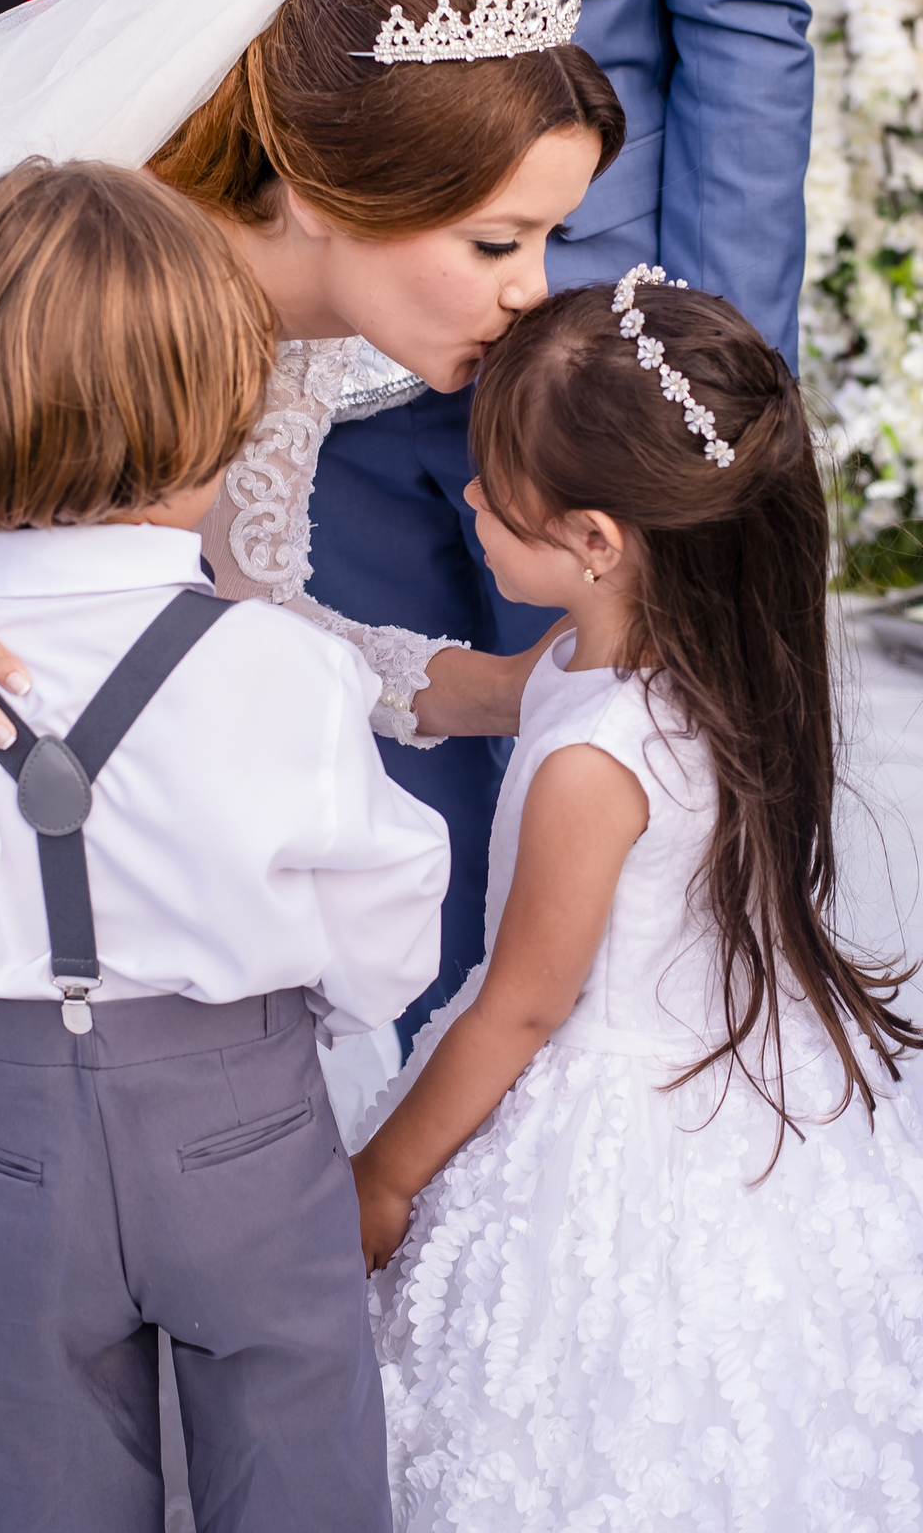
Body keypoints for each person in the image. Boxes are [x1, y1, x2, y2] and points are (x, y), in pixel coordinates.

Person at [0, 0, 617, 1517]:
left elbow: (237, 641)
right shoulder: (19, 259)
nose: (528, 296)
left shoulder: (284, 349)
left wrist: (494, 687)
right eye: (496, 243)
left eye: (551, 242)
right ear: (343, 193)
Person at [102, 0, 813, 1045]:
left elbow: (743, 4)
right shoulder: (120, 336)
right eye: (506, 252)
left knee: (640, 795)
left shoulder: (540, 284)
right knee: (379, 821)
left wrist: (696, 393)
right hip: (299, 278)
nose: (521, 281)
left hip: (601, 342)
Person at [0, 156, 449, 1533]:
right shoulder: (282, 666)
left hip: (10, 1150)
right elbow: (391, 900)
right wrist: (329, 1045)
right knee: (306, 1483)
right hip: (251, 1125)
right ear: (223, 414)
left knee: (37, 1500)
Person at [351, 269, 923, 1529]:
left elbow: (518, 1012)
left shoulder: (593, 765)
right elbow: (466, 692)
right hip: (743, 1094)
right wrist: (295, 654)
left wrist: (384, 1179)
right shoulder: (687, 662)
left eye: (496, 492)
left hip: (607, 1135)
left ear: (598, 542)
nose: (473, 501)